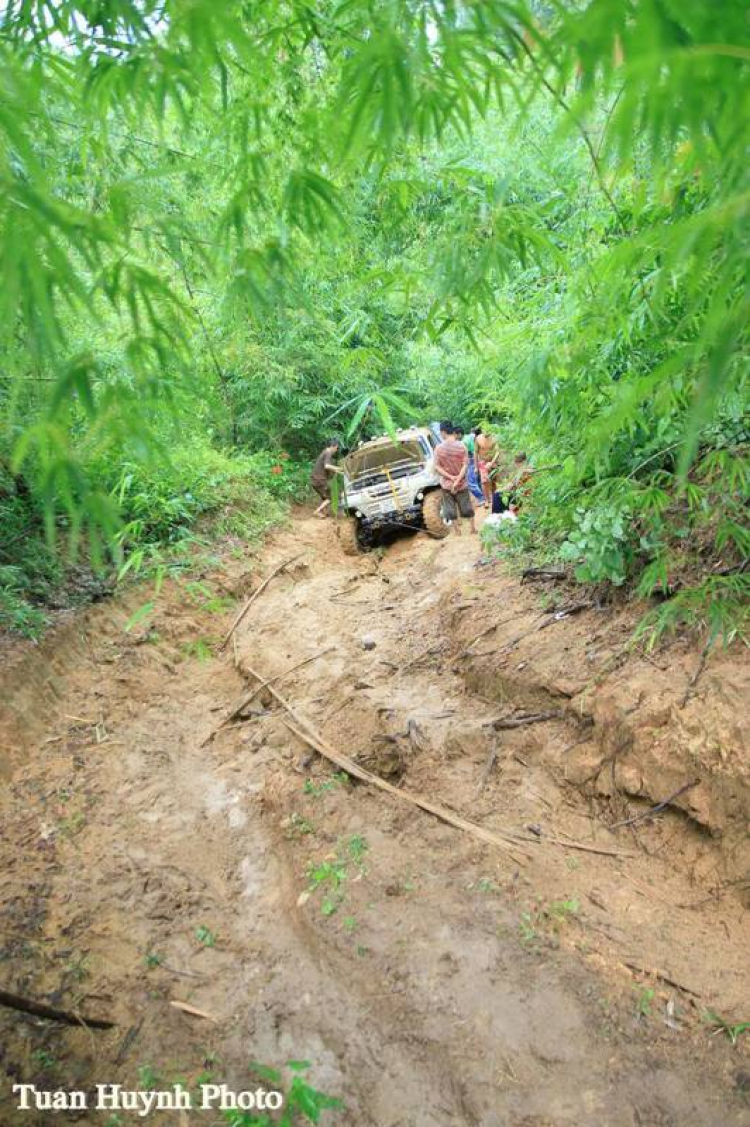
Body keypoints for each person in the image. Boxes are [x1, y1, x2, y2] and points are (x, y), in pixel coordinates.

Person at [433, 424, 476, 535]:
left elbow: (436, 466)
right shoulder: (462, 446)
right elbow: (465, 465)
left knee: (450, 509)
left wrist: (451, 477)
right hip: (461, 483)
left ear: (443, 432)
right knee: (467, 506)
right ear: (452, 431)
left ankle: (457, 531)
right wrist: (457, 480)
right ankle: (472, 529)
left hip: (447, 484)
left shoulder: (438, 448)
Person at [310, 438, 342, 517]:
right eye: (337, 448)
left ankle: (324, 513)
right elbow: (327, 466)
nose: (336, 450)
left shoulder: (324, 452)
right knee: (331, 497)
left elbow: (325, 468)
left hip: (315, 480)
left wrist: (337, 471)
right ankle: (317, 511)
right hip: (319, 480)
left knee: (325, 497)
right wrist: (338, 468)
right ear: (333, 446)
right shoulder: (328, 452)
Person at [474, 428, 499, 508]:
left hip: (493, 462)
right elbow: (475, 452)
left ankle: (494, 498)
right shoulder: (478, 438)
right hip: (482, 462)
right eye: (484, 430)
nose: (486, 432)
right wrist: (476, 467)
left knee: (494, 481)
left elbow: (497, 451)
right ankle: (487, 500)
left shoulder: (494, 438)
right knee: (484, 482)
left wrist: (492, 463)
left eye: (487, 430)